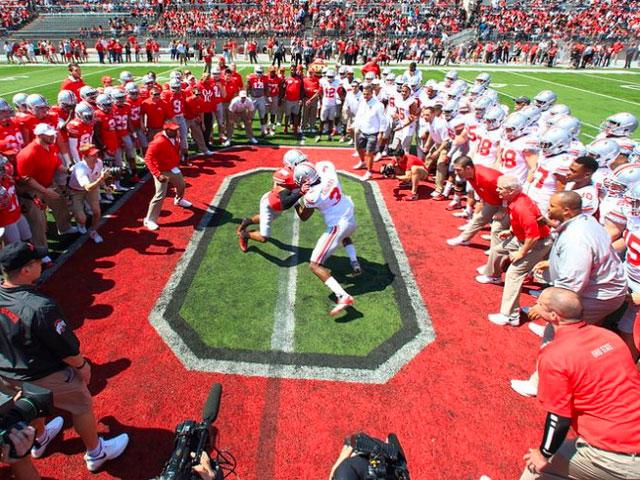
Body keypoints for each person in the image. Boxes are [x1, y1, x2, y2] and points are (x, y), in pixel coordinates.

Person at [0, 242, 130, 472]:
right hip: (41, 374)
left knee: (29, 406)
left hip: (7, 373)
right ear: (25, 271)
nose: (42, 262)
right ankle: (96, 453)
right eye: (36, 261)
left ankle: (39, 440)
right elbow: (66, 348)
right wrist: (82, 366)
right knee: (81, 406)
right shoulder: (39, 307)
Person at [519, 287, 640, 480]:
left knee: (538, 467)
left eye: (539, 304)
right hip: (630, 434)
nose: (535, 306)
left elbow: (558, 417)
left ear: (553, 315)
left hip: (615, 453)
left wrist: (543, 455)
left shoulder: (555, 355)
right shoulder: (610, 338)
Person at [477, 175, 552, 326]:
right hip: (522, 238)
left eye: (500, 188)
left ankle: (510, 315)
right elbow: (524, 223)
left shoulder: (521, 206)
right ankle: (494, 275)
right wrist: (511, 232)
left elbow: (534, 235)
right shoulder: (517, 199)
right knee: (498, 250)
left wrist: (521, 253)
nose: (497, 190)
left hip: (536, 243)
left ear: (511, 190)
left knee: (514, 273)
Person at [294, 161, 361, 316]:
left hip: (338, 226)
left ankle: (343, 296)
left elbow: (304, 216)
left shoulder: (312, 196)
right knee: (345, 237)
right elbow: (321, 169)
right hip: (349, 216)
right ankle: (354, 261)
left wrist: (296, 200)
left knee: (315, 265)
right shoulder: (328, 169)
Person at [15, 123, 77, 262]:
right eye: (50, 135)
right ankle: (41, 251)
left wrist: (69, 170)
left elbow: (57, 164)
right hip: (30, 191)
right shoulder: (28, 153)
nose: (53, 136)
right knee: (38, 221)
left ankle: (65, 227)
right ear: (40, 136)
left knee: (61, 204)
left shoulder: (50, 147)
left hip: (48, 184)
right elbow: (26, 179)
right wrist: (45, 191)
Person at [237, 149, 308, 251]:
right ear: (289, 165)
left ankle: (247, 221)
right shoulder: (285, 176)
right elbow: (285, 201)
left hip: (280, 205)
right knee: (263, 238)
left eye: (303, 161)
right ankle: (245, 235)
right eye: (299, 163)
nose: (303, 164)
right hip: (270, 203)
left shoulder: (298, 172)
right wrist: (302, 192)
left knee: (266, 217)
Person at [143, 123, 192, 231]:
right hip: (161, 171)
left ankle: (178, 199)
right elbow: (148, 158)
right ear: (167, 130)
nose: (176, 132)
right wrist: (157, 174)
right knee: (160, 195)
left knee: (181, 185)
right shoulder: (158, 142)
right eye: (173, 130)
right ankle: (149, 219)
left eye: (177, 130)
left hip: (172, 168)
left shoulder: (175, 136)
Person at [68, 144, 108, 243]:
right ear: (84, 157)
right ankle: (79, 219)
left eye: (96, 154)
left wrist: (105, 186)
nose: (96, 157)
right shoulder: (80, 169)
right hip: (76, 191)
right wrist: (101, 179)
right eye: (92, 155)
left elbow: (97, 177)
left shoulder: (99, 163)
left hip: (92, 188)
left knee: (97, 212)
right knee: (82, 219)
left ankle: (93, 231)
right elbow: (87, 187)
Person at [350, 84, 386, 182]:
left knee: (369, 153)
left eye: (367, 94)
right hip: (363, 130)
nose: (365, 96)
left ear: (372, 93)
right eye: (364, 94)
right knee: (359, 148)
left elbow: (383, 120)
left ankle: (369, 173)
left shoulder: (378, 105)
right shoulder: (362, 102)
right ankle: (362, 162)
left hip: (373, 132)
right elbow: (359, 115)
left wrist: (381, 133)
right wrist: (354, 126)